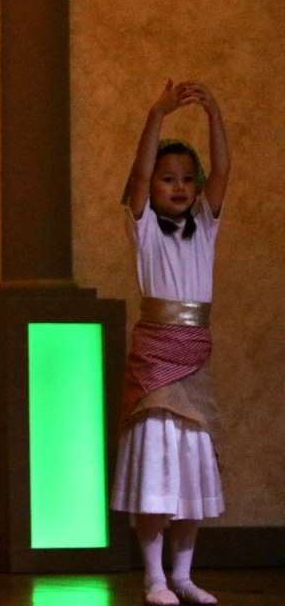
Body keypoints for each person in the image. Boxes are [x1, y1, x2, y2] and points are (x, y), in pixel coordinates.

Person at [110, 80, 230, 606]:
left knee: (191, 468)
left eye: (186, 179)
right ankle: (154, 578)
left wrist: (215, 114)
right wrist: (155, 115)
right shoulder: (145, 230)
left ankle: (183, 575)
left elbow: (222, 172)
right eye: (167, 179)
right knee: (156, 468)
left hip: (194, 359)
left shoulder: (205, 225)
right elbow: (137, 175)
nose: (178, 187)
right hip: (155, 360)